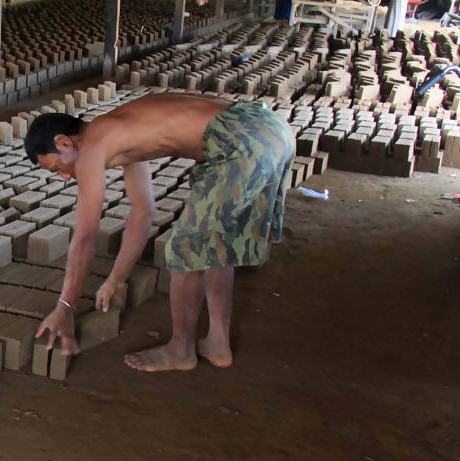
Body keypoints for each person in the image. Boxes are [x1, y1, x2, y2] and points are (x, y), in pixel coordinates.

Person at [25, 94, 295, 372]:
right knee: (216, 242)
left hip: (241, 137)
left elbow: (85, 236)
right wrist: (116, 279)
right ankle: (218, 344)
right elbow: (143, 211)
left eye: (57, 168)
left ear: (64, 142)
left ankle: (181, 350)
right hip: (269, 129)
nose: (66, 177)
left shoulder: (93, 143)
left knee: (184, 248)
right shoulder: (119, 132)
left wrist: (65, 307)